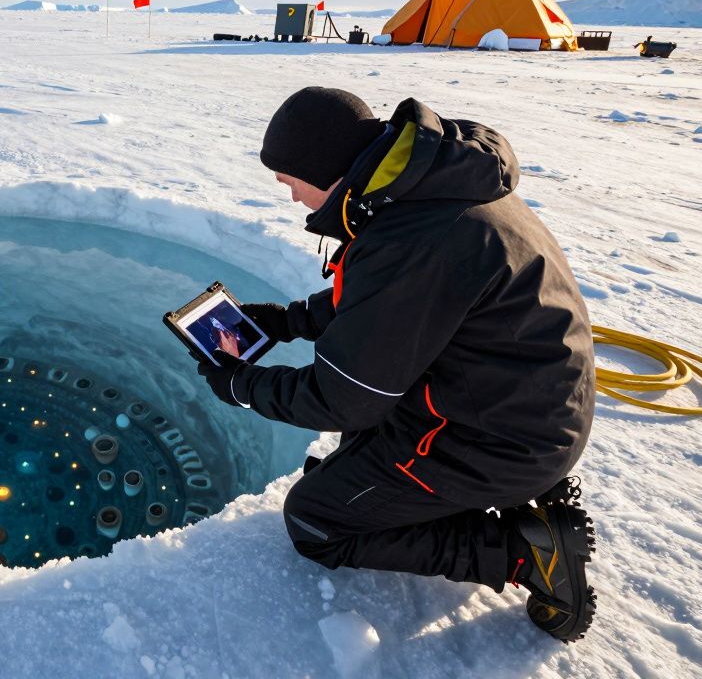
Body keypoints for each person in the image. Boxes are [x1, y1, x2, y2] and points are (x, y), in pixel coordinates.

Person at [195, 87, 597, 642]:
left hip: (499, 438)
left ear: (323, 169)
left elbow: (344, 398)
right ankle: (504, 499)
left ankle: (523, 552)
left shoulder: (415, 238)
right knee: (356, 457)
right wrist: (287, 320)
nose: (289, 198)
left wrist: (241, 384)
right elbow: (387, 305)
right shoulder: (426, 187)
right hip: (521, 407)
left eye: (289, 182)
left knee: (316, 518)